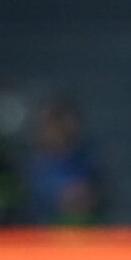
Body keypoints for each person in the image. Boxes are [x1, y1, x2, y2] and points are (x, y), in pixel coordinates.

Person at [26, 97, 105, 226]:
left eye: (63, 122)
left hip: (87, 234)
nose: (57, 130)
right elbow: (39, 199)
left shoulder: (86, 157)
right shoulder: (36, 163)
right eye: (53, 124)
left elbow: (96, 195)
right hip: (44, 234)